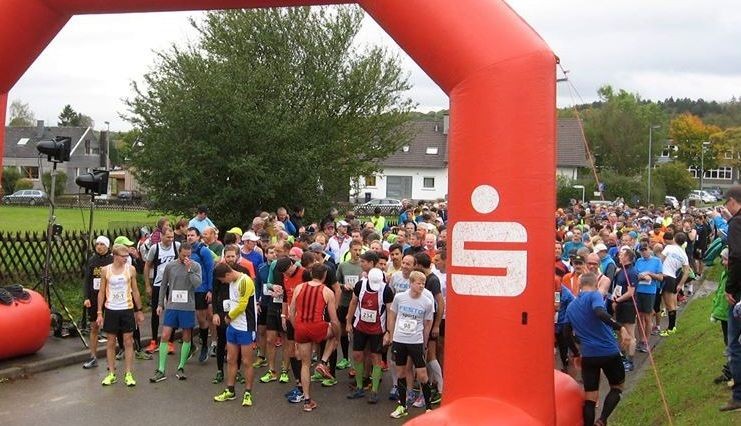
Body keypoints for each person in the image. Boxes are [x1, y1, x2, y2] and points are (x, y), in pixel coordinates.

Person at [563, 272, 632, 426]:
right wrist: (620, 328)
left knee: (590, 398)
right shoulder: (595, 295)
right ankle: (602, 420)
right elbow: (599, 312)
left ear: (580, 285)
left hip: (588, 356)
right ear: (596, 284)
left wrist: (576, 353)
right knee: (617, 387)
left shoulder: (571, 307)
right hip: (608, 352)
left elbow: (566, 333)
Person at [289, 263, 341, 412]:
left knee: (305, 365)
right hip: (318, 327)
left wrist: (297, 328)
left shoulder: (299, 287)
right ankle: (323, 362)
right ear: (324, 276)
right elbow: (334, 320)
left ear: (311, 274)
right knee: (334, 332)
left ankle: (307, 400)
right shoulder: (327, 291)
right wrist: (337, 337)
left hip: (301, 328)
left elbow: (291, 312)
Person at [149, 243, 202, 383]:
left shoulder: (195, 266)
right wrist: (160, 304)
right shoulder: (170, 266)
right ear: (179, 252)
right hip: (172, 305)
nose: (186, 258)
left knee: (186, 336)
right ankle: (161, 369)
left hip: (187, 306)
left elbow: (197, 284)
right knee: (165, 335)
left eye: (189, 255)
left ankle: (181, 367)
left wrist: (190, 270)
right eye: (184, 255)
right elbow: (163, 285)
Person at [386, 270, 435, 418]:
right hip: (400, 340)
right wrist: (391, 335)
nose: (421, 286)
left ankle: (429, 408)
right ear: (411, 283)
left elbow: (427, 324)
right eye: (419, 283)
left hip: (416, 341)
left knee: (422, 375)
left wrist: (424, 343)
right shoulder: (399, 298)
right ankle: (402, 406)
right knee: (401, 373)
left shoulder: (427, 302)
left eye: (423, 284)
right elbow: (392, 316)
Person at [96, 244, 145, 386]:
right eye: (123, 256)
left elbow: (135, 291)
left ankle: (128, 373)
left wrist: (139, 310)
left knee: (128, 341)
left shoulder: (131, 269)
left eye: (127, 256)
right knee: (111, 342)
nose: (126, 259)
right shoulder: (105, 270)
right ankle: (111, 373)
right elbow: (101, 292)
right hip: (111, 309)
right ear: (115, 256)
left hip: (127, 309)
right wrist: (99, 312)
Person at [345, 266, 394, 403]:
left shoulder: (386, 290)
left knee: (376, 357)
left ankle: (374, 391)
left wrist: (389, 332)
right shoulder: (360, 285)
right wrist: (348, 322)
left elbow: (390, 312)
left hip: (378, 329)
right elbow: (353, 302)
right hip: (360, 326)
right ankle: (359, 387)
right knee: (357, 354)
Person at [212, 263, 258, 407]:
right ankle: (230, 390)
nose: (223, 283)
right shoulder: (231, 281)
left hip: (245, 327)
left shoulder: (245, 281)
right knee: (231, 359)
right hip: (232, 326)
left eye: (223, 280)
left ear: (227, 275)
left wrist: (228, 316)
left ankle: (248, 393)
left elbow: (242, 305)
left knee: (246, 361)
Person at [212, 245, 253, 384]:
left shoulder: (243, 272)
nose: (230, 258)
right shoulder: (219, 270)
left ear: (237, 256)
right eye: (227, 256)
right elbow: (214, 292)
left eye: (232, 256)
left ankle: (238, 371)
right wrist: (215, 313)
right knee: (222, 341)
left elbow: (246, 298)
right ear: (224, 257)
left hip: (238, 314)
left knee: (238, 345)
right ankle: (219, 370)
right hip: (223, 310)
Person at [143, 227, 180, 354]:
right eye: (168, 237)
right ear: (161, 236)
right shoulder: (155, 248)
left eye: (172, 237)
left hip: (173, 285)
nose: (170, 240)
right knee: (156, 312)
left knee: (173, 311)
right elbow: (147, 265)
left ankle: (170, 342)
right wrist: (147, 285)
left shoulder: (176, 246)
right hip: (158, 283)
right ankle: (153, 341)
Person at [722, 185, 741, 412]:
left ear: (732, 201)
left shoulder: (736, 223)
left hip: (738, 292)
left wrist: (730, 288)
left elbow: (736, 255)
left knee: (735, 344)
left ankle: (738, 396)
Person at [82, 236, 114, 369]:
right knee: (94, 326)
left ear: (108, 246)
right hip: (94, 297)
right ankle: (93, 357)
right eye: (97, 244)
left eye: (102, 244)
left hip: (110, 297)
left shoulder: (112, 260)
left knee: (111, 329)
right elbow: (87, 280)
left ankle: (111, 359)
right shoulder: (92, 260)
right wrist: (86, 297)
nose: (99, 247)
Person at [187, 227, 216, 363]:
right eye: (188, 235)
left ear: (198, 237)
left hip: (201, 289)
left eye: (192, 235)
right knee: (186, 318)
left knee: (201, 318)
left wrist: (210, 290)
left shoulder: (203, 251)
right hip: (188, 289)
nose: (189, 237)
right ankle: (191, 345)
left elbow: (210, 270)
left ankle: (204, 345)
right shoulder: (185, 250)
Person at [611, 249, 638, 371]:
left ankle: (630, 361)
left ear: (627, 257)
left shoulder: (632, 272)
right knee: (621, 332)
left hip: (628, 306)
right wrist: (614, 299)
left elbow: (630, 292)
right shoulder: (621, 271)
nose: (619, 256)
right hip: (620, 305)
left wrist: (617, 300)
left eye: (621, 254)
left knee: (630, 334)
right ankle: (623, 357)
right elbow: (618, 288)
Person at [659, 231, 691, 336]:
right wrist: (680, 284)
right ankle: (672, 327)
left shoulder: (669, 247)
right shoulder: (684, 254)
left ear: (675, 238)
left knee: (669, 305)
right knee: (672, 304)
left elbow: (660, 260)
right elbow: (687, 272)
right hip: (673, 279)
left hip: (665, 277)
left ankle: (671, 328)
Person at [634, 242, 663, 353]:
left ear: (649, 249)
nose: (643, 252)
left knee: (647, 317)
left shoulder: (657, 261)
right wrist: (640, 276)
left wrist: (650, 274)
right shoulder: (638, 261)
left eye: (645, 249)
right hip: (639, 291)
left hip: (650, 292)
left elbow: (660, 277)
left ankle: (646, 341)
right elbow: (635, 275)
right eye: (641, 250)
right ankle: (641, 340)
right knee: (639, 317)